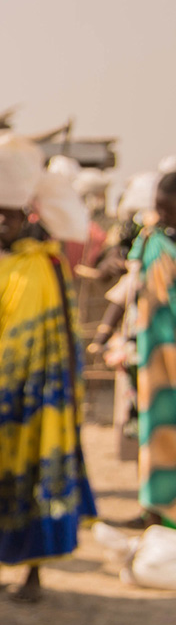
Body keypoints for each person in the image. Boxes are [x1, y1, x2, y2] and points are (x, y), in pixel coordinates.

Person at [0, 139, 95, 601]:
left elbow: (63, 334)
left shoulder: (43, 263)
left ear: (28, 216)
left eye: (11, 215)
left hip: (41, 395)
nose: (3, 222)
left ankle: (34, 574)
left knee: (37, 477)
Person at [126, 171, 176, 528]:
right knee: (155, 428)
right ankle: (155, 510)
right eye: (159, 208)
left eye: (169, 209)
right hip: (156, 353)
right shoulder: (150, 241)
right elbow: (128, 287)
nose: (163, 215)